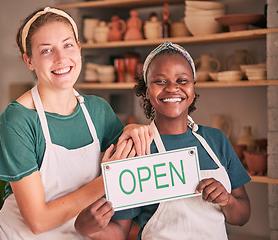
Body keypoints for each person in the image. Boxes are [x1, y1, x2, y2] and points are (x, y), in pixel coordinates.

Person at [0, 7, 154, 239]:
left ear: (79, 48)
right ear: (29, 61)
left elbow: (128, 171)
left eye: (67, 45)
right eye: (46, 50)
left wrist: (131, 131)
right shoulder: (18, 120)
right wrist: (105, 182)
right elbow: (38, 221)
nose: (61, 58)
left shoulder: (98, 110)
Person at [74, 41, 251, 240]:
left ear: (193, 89)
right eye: (160, 81)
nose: (172, 88)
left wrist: (228, 201)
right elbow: (120, 232)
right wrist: (87, 229)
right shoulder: (136, 150)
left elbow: (242, 216)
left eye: (182, 80)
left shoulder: (216, 140)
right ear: (147, 91)